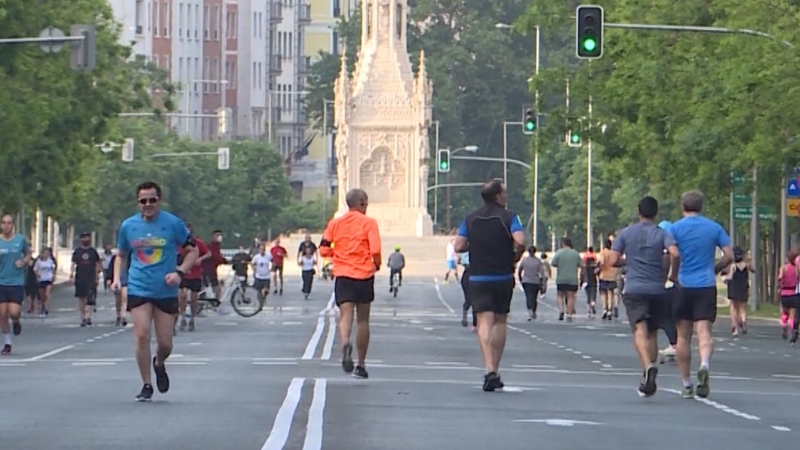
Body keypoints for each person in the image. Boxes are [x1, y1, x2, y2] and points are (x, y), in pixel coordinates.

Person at [112, 181, 199, 402]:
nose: (148, 204)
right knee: (142, 335)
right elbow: (121, 254)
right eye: (143, 201)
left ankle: (159, 363)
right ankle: (146, 384)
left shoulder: (173, 223)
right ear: (137, 202)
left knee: (165, 343)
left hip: (166, 289)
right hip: (139, 286)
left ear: (159, 201)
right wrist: (116, 279)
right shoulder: (128, 226)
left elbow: (192, 250)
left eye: (152, 200)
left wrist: (179, 272)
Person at [454, 179, 525, 392]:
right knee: (500, 321)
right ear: (498, 196)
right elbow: (520, 240)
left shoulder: (471, 218)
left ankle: (488, 368)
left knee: (484, 321)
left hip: (478, 277)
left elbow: (458, 245)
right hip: (502, 276)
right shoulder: (509, 217)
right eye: (504, 193)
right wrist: (515, 255)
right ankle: (496, 367)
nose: (506, 196)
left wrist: (473, 245)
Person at [608, 196, 679, 397]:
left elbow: (613, 260)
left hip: (634, 288)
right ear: (655, 213)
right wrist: (672, 274)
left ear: (639, 212)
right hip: (656, 288)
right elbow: (674, 253)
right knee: (652, 332)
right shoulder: (662, 233)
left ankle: (647, 366)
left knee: (639, 329)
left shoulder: (626, 233)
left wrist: (629, 261)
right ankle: (650, 368)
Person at [668, 190, 733, 399]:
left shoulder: (674, 229)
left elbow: (672, 254)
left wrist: (674, 275)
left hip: (683, 284)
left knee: (683, 336)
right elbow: (729, 255)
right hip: (705, 284)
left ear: (682, 206)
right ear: (701, 206)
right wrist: (714, 268)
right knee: (704, 331)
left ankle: (686, 384)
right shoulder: (714, 227)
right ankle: (704, 364)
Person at [320, 188, 381, 380]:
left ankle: (345, 342)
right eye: (366, 202)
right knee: (363, 320)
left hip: (343, 274)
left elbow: (323, 248)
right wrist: (376, 264)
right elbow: (376, 249)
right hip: (364, 274)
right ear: (361, 202)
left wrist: (335, 255)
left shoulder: (335, 223)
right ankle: (361, 365)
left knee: (346, 315)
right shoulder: (369, 223)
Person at [0, 214, 32, 355]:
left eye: (9, 223)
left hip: (16, 282)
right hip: (1, 281)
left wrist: (23, 261)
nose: (6, 225)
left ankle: (17, 321)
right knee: (2, 314)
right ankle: (7, 343)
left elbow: (29, 254)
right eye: (4, 223)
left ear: (13, 225)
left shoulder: (20, 240)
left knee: (13, 312)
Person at [177, 223, 210, 333]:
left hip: (195, 274)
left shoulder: (197, 243)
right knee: (183, 295)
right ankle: (182, 317)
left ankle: (192, 318)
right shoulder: (178, 243)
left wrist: (200, 259)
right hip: (183, 273)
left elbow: (208, 253)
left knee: (194, 297)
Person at [70, 232, 101, 327]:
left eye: (87, 237)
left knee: (90, 297)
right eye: (84, 238)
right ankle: (83, 316)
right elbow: (73, 264)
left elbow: (97, 264)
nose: (86, 239)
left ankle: (88, 316)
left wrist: (97, 276)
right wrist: (71, 275)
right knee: (81, 298)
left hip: (90, 277)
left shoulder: (93, 252)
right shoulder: (77, 251)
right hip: (80, 277)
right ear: (80, 240)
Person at [725, 246, 754, 338]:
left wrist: (725, 279)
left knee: (733, 307)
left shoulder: (733, 266)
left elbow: (730, 277)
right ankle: (744, 321)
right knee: (742, 308)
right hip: (743, 287)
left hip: (734, 287)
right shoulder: (746, 265)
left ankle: (734, 326)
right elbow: (753, 270)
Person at [551, 238, 582, 322]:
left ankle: (561, 310)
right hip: (572, 279)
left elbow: (553, 263)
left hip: (561, 278)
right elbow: (581, 264)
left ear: (563, 244)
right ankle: (569, 314)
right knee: (570, 297)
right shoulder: (575, 253)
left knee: (560, 295)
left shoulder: (559, 253)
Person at [518, 246, 544, 321]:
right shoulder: (538, 261)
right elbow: (542, 273)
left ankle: (530, 312)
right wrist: (543, 282)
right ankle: (534, 311)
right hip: (535, 281)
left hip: (526, 280)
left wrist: (520, 278)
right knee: (534, 297)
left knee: (529, 296)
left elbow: (520, 270)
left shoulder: (525, 260)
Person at [777, 250, 798, 341]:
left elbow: (780, 277)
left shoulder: (783, 268)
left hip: (784, 293)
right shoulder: (796, 268)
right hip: (793, 293)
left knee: (784, 312)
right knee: (792, 315)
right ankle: (791, 331)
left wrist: (780, 284)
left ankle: (784, 325)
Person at [597, 239, 619, 320]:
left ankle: (604, 309)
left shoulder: (603, 252)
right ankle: (610, 310)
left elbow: (601, 262)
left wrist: (599, 269)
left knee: (603, 293)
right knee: (611, 293)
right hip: (612, 276)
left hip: (603, 275)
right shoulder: (613, 253)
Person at [202, 230, 227, 300]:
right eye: (217, 235)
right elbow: (215, 257)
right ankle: (215, 301)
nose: (219, 237)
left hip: (212, 269)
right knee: (215, 287)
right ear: (213, 236)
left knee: (215, 287)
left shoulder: (217, 246)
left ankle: (215, 301)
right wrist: (225, 261)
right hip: (207, 269)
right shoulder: (211, 246)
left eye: (220, 235)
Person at [108, 251, 130, 327]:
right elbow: (110, 268)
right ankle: (118, 315)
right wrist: (109, 278)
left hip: (126, 279)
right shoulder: (115, 258)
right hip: (116, 280)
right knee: (118, 300)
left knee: (125, 298)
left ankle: (123, 316)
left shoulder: (131, 257)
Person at [34, 248, 57, 317]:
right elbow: (35, 269)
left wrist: (53, 276)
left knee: (47, 294)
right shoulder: (39, 262)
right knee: (42, 296)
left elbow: (53, 269)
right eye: (44, 253)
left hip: (48, 279)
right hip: (41, 279)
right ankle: (42, 308)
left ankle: (46, 309)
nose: (46, 254)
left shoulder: (50, 261)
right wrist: (38, 275)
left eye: (47, 253)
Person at [459, 251, 477, 330]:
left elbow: (458, 260)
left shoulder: (464, 251)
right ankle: (474, 323)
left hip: (469, 273)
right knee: (474, 299)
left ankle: (470, 320)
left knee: (471, 299)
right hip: (474, 273)